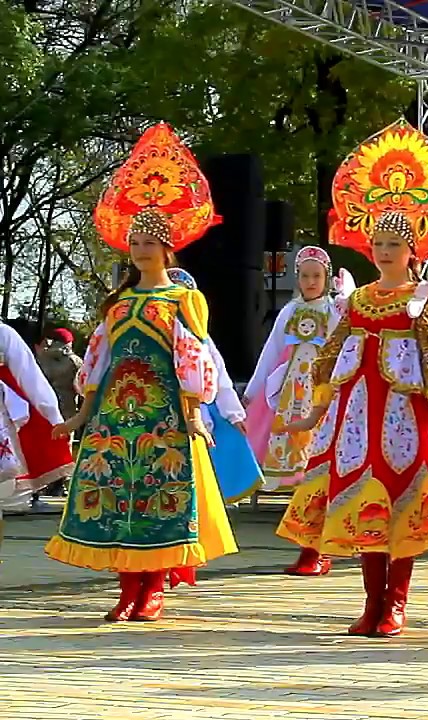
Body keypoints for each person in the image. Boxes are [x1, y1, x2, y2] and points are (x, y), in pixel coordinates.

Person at [278, 119, 428, 638]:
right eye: (377, 243)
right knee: (362, 505)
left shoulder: (426, 299)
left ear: (412, 251)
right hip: (357, 416)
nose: (382, 251)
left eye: (393, 245)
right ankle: (371, 601)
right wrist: (310, 412)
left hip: (406, 416)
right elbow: (329, 356)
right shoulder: (355, 300)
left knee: (401, 503)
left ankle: (395, 603)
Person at [46, 123, 236, 622]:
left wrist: (193, 413)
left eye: (152, 242)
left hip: (163, 413)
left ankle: (153, 589)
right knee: (113, 496)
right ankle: (127, 588)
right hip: (114, 413)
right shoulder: (118, 302)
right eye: (136, 242)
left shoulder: (183, 299)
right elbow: (96, 362)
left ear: (169, 248)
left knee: (157, 496)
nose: (143, 250)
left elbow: (192, 357)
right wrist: (81, 415)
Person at [243, 245, 350, 576]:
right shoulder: (289, 312)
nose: (311, 281)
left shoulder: (334, 312)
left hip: (321, 393)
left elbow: (344, 349)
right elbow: (271, 350)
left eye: (317, 275)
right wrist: (254, 391)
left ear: (327, 278)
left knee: (321, 467)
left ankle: (318, 548)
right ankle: (310, 545)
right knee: (301, 471)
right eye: (305, 275)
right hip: (290, 394)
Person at [167, 268, 263, 506]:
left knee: (204, 454)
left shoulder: (201, 338)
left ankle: (201, 503)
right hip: (162, 406)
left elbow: (219, 377)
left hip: (198, 409)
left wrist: (233, 413)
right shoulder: (153, 335)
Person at [0, 321, 71, 523]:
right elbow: (29, 376)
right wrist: (54, 416)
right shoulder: (4, 334)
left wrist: (54, 416)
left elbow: (29, 377)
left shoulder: (3, 334)